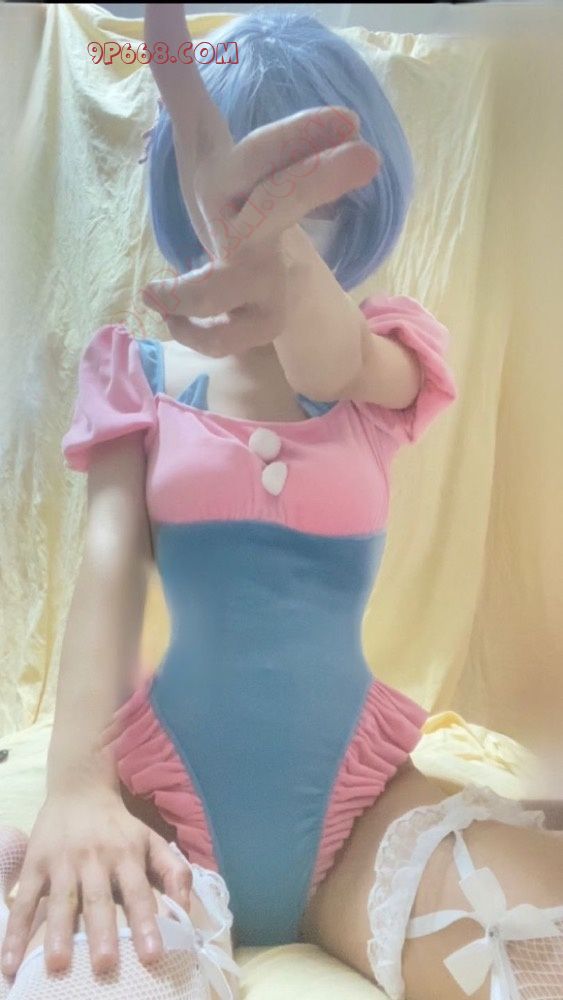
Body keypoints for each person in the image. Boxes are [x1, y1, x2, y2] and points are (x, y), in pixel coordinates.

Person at [2, 5, 562, 999]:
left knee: (535, 951)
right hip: (157, 807)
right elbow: (106, 565)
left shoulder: (383, 360)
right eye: (238, 198)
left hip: (366, 813)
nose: (275, 228)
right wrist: (79, 784)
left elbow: (327, 358)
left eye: (314, 205)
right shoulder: (136, 375)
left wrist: (284, 256)